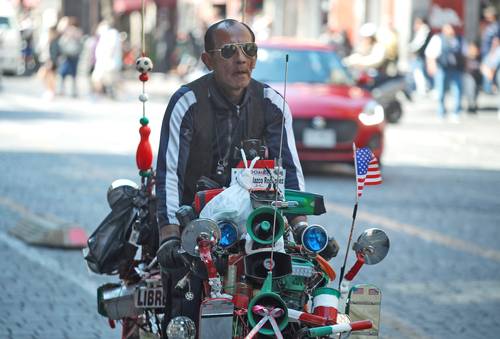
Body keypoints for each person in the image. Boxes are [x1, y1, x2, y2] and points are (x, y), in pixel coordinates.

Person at [155, 19, 337, 334]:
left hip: (262, 227)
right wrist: (171, 237)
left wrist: (303, 230)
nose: (241, 58)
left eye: (248, 49)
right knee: (187, 303)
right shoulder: (187, 102)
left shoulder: (271, 103)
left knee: (296, 296)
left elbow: (290, 172)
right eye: (228, 51)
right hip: (200, 228)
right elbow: (169, 173)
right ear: (208, 60)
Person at [425, 24, 465, 122]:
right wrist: (431, 65)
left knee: (457, 90)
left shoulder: (459, 39)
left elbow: (464, 54)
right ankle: (441, 111)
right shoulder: (438, 39)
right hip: (442, 68)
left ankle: (456, 111)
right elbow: (430, 54)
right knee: (441, 91)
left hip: (456, 69)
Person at [409, 17, 433, 95]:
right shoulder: (422, 31)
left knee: (419, 73)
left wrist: (412, 50)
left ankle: (423, 90)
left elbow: (419, 45)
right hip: (420, 56)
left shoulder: (424, 31)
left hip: (420, 57)